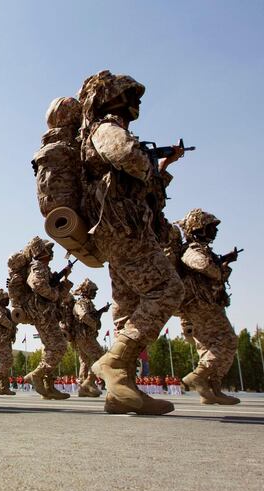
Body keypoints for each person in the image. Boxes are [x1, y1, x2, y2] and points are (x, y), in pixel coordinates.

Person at [79, 70, 185, 415]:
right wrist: (149, 161)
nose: (133, 103)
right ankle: (113, 363)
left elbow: (144, 183)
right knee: (168, 289)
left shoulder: (103, 129)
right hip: (125, 232)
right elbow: (126, 156)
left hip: (116, 232)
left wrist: (161, 165)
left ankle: (121, 390)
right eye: (128, 96)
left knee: (126, 309)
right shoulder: (107, 128)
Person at [176, 209, 241, 405]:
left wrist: (224, 261)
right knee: (227, 340)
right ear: (199, 228)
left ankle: (212, 389)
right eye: (211, 227)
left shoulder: (202, 250)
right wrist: (219, 265)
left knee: (209, 347)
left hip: (205, 303)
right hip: (199, 305)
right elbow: (204, 266)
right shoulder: (192, 250)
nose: (215, 231)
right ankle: (198, 375)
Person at [22, 237, 71, 400]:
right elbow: (36, 284)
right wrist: (55, 293)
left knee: (52, 347)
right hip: (43, 314)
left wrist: (63, 280)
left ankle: (48, 386)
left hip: (46, 313)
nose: (51, 253)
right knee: (59, 346)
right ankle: (37, 375)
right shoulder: (38, 267)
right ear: (40, 251)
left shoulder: (44, 268)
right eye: (48, 250)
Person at [71, 279, 106, 397]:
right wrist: (95, 325)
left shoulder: (87, 303)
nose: (95, 293)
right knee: (100, 357)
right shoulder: (81, 303)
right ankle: (89, 382)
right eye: (93, 291)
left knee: (85, 362)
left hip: (83, 337)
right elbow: (84, 316)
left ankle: (84, 387)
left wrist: (100, 312)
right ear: (87, 291)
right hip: (85, 337)